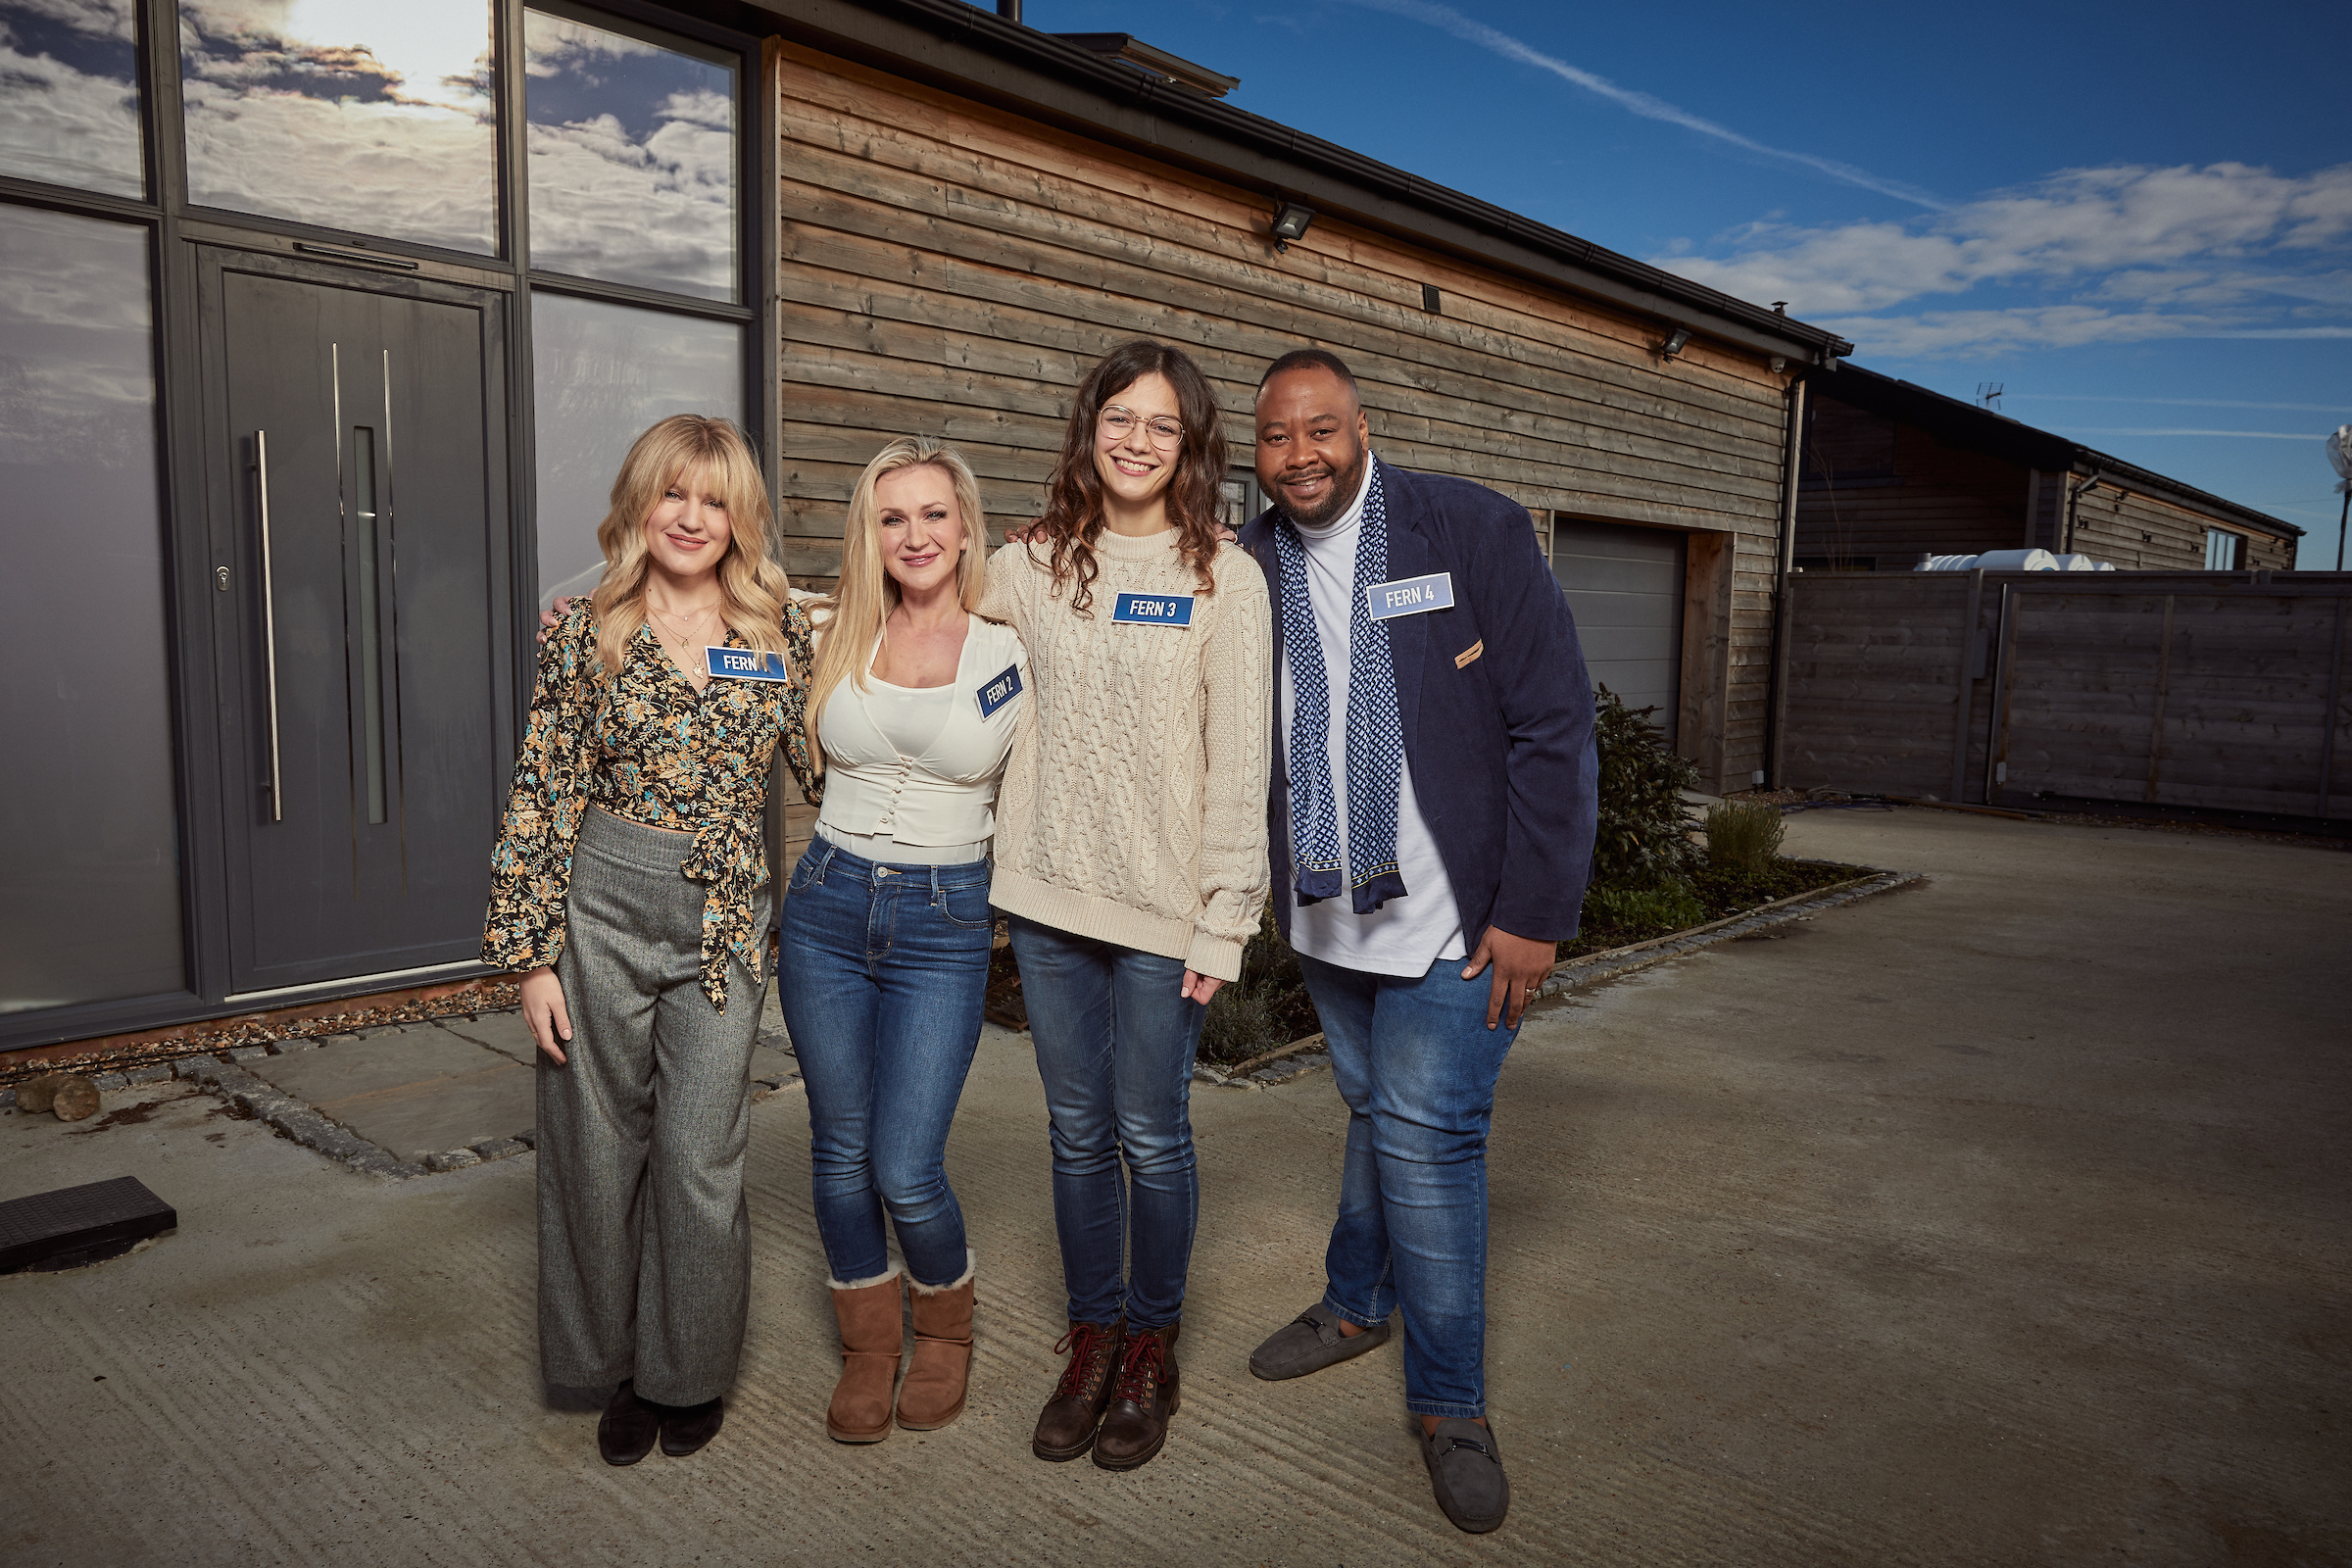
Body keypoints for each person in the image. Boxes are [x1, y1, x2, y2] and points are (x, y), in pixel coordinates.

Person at [1234, 350, 1596, 1535]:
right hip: (1330, 912)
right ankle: (1355, 1302)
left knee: (1430, 1146)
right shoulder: (1248, 564)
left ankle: (1449, 1404)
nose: (1301, 457)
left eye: (1322, 430)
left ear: (1363, 427)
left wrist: (1535, 911)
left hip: (1460, 920)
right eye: (1278, 437)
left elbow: (1553, 721)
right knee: (1374, 1111)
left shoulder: (1469, 528)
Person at [483, 414, 818, 1467]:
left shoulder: (778, 633)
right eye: (674, 494)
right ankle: (611, 1365)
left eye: (716, 499)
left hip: (724, 919)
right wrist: (532, 956)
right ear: (641, 505)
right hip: (601, 905)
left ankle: (688, 1373)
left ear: (740, 517)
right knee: (592, 1148)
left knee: (699, 1153)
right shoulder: (586, 627)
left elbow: (835, 764)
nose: (692, 517)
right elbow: (542, 789)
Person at [980, 338, 1272, 1472]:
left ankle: (1153, 1344)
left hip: (1165, 917)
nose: (1137, 440)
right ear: (1088, 425)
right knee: (1073, 1133)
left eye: (1162, 424)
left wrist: (1222, 918)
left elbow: (1240, 761)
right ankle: (1091, 1335)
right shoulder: (1032, 565)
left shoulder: (1225, 579)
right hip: (1049, 900)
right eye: (1120, 417)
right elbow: (903, 605)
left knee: (1152, 1135)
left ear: (1189, 444)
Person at [778, 438, 1026, 1443]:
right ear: (868, 533)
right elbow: (692, 632)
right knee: (839, 1151)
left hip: (945, 919)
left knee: (905, 1162)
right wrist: (590, 624)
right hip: (828, 907)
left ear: (966, 526)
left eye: (934, 514)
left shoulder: (1014, 642)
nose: (915, 534)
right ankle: (870, 1343)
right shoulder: (826, 630)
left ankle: (944, 1331)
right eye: (893, 517)